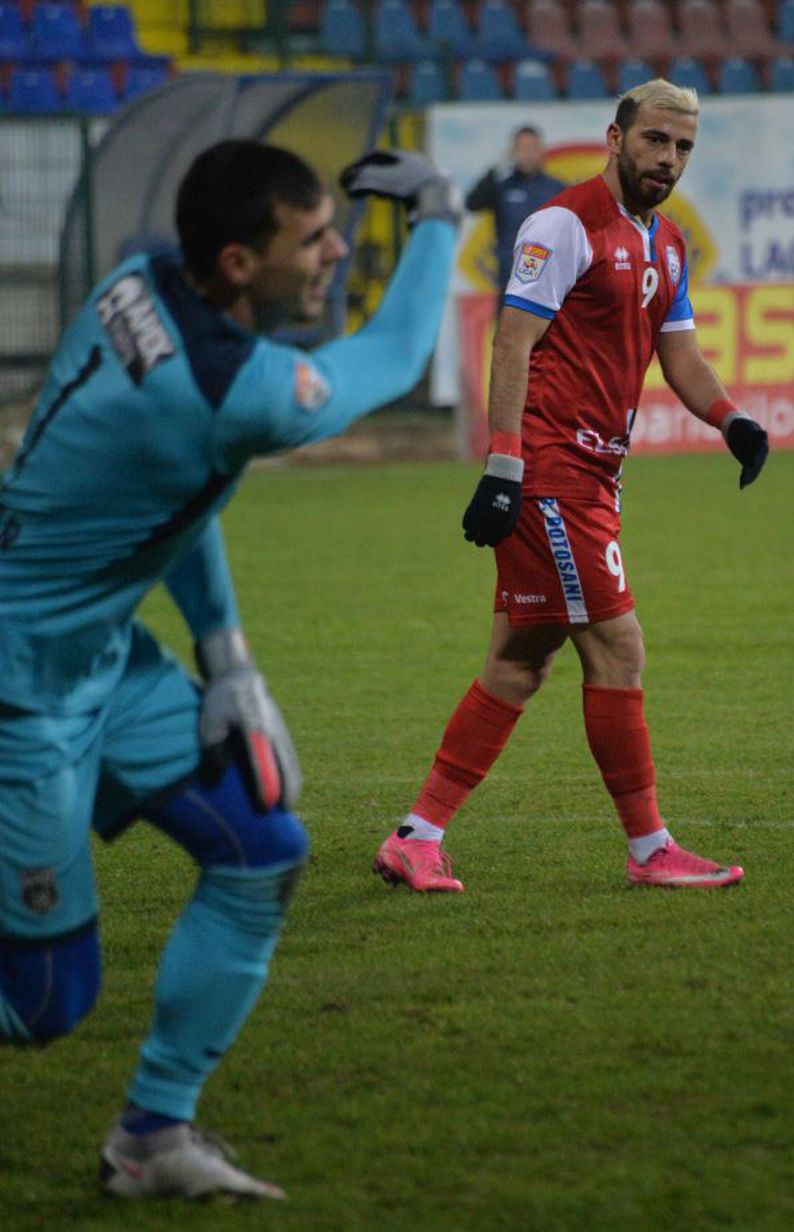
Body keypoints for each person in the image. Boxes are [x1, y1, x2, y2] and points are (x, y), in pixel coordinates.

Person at [0, 138, 459, 1200]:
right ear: (241, 263)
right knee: (45, 1002)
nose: (336, 254)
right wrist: (435, 216)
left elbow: (179, 492)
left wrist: (225, 655)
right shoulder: (234, 387)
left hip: (96, 652)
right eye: (313, 240)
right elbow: (392, 358)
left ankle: (152, 1138)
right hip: (20, 686)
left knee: (261, 848)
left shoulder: (139, 277)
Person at [372, 79, 770, 896]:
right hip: (549, 473)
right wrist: (505, 465)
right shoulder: (563, 224)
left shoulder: (665, 244)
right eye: (656, 141)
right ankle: (651, 846)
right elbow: (512, 343)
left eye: (684, 148)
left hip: (593, 476)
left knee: (520, 663)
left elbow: (680, 356)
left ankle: (417, 835)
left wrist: (732, 420)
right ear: (616, 136)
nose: (669, 159)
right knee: (618, 648)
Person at [465, 125, 565, 312]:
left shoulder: (557, 189)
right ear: (513, 152)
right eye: (521, 149)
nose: (527, 155)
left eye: (532, 149)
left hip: (550, 285)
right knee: (508, 341)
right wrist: (495, 170)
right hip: (509, 283)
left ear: (541, 151)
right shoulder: (501, 187)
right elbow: (471, 204)